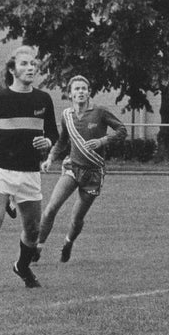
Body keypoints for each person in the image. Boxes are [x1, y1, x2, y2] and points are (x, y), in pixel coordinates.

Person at [0, 46, 57, 294]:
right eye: (24, 64)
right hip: (2, 170)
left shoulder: (43, 99)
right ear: (12, 69)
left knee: (33, 229)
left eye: (33, 65)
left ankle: (22, 266)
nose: (30, 68)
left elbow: (53, 133)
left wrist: (48, 141)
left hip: (30, 172)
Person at [36, 75, 127, 263]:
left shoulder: (100, 112)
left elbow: (122, 130)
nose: (80, 92)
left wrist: (103, 140)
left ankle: (68, 243)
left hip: (93, 173)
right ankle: (37, 248)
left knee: (76, 218)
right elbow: (62, 141)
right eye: (76, 89)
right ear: (70, 94)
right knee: (51, 208)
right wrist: (50, 158)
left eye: (83, 89)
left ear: (89, 92)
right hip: (72, 168)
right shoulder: (67, 116)